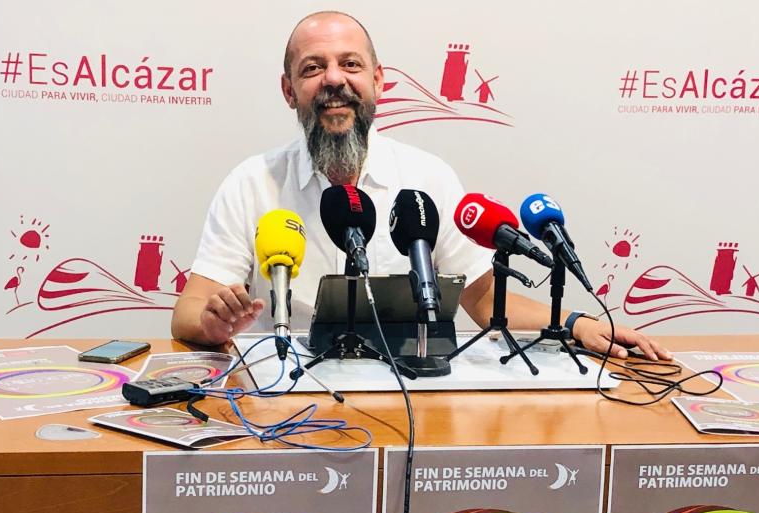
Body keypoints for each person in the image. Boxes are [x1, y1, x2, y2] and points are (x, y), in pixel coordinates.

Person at [171, 11, 671, 361]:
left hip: (407, 389)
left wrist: (577, 324)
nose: (333, 80)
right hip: (287, 397)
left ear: (379, 81)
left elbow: (483, 298)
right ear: (289, 91)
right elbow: (189, 311)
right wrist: (212, 323)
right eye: (312, 68)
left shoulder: (426, 178)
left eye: (350, 64)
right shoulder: (251, 183)